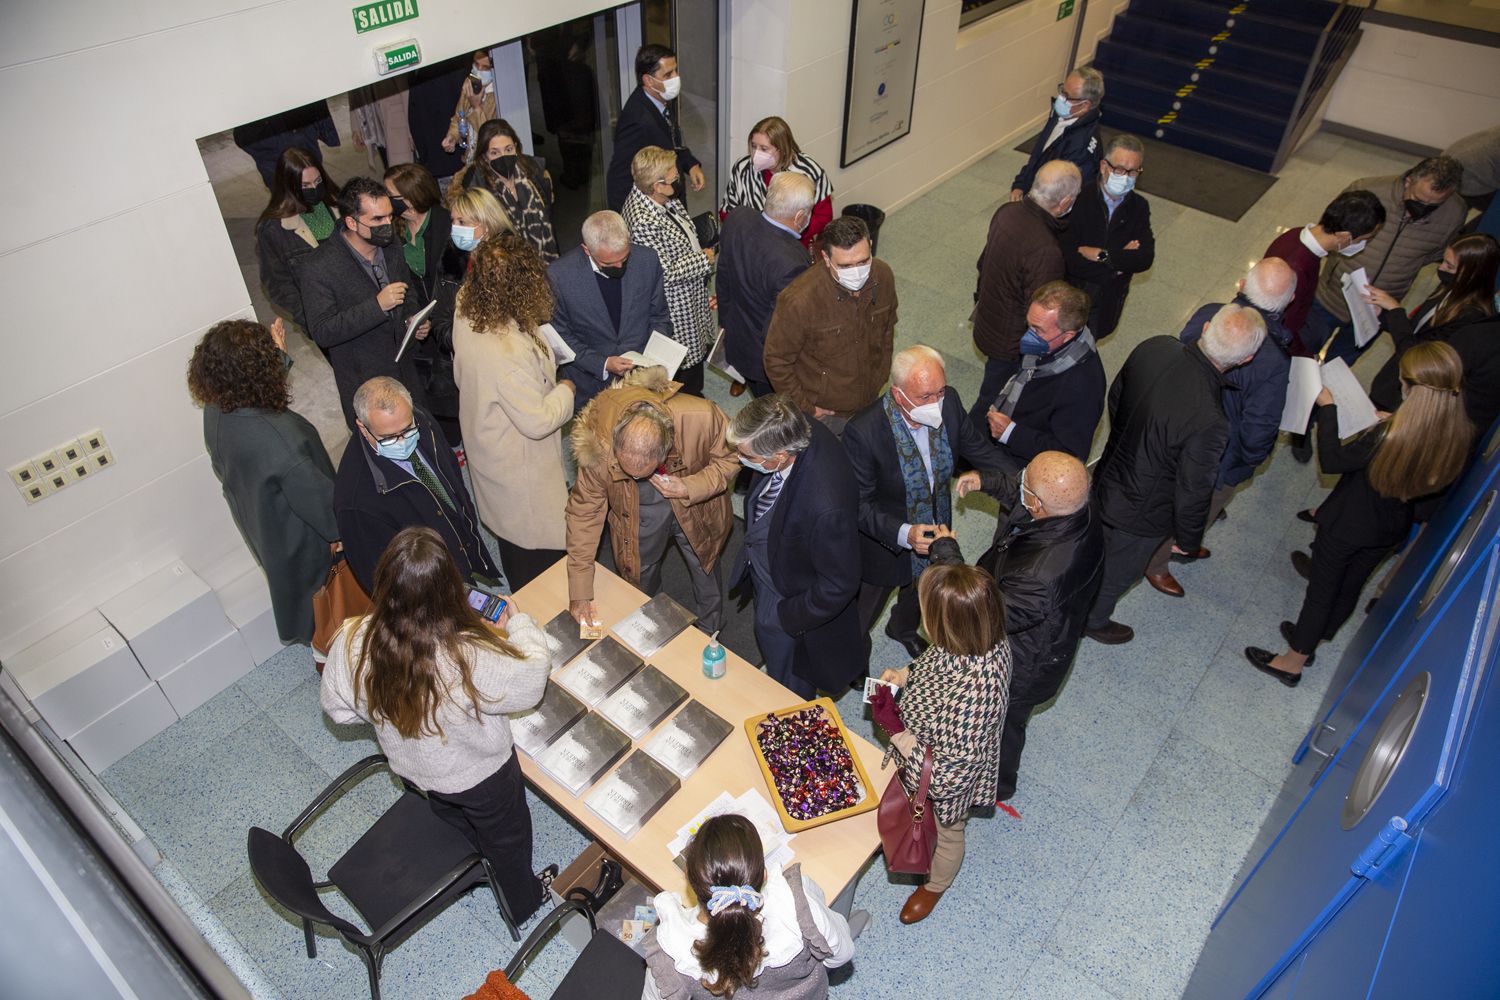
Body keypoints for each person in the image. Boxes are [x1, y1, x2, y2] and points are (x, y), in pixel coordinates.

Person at [320, 526, 557, 924]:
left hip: (418, 774)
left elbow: (338, 710)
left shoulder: (352, 641)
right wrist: (521, 625)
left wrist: (382, 713)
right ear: (449, 588)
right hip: (484, 778)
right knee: (507, 838)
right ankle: (523, 903)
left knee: (453, 819)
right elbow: (532, 681)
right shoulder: (466, 655)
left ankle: (467, 869)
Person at [1246, 343, 1473, 686]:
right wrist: (1391, 422)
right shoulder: (1457, 433)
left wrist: (1328, 409)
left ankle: (1291, 663)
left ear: (1409, 387)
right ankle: (1315, 639)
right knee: (1350, 587)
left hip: (1348, 524)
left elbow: (1334, 461)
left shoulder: (1387, 437)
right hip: (1389, 528)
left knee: (1321, 592)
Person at [1084, 304, 1266, 644]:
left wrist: (1127, 440)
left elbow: (1117, 395)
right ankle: (1093, 620)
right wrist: (1188, 539)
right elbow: (1193, 488)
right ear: (1245, 360)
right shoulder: (1211, 421)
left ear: (1207, 326)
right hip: (1142, 516)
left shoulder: (1156, 346)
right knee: (1118, 572)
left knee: (1089, 550)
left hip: (1107, 476)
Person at [1142, 258, 1298, 597]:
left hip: (1179, 433)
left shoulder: (1211, 314)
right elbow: (1259, 430)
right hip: (1221, 458)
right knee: (1199, 504)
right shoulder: (1273, 361)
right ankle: (1157, 562)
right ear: (1288, 301)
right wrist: (1248, 464)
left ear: (1243, 284)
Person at [954, 451, 1102, 806]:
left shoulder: (1041, 576)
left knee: (1003, 725)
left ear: (1037, 503)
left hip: (1023, 665)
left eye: (1023, 483)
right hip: (1040, 634)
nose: (1017, 483)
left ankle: (996, 787)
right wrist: (986, 481)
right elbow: (1026, 497)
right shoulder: (1075, 507)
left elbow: (984, 615)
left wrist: (948, 558)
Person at [869, 563, 1011, 924]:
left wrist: (896, 730)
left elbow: (948, 779)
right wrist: (904, 675)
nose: (924, 623)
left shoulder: (979, 694)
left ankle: (935, 885)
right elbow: (936, 658)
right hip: (926, 742)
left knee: (948, 832)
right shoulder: (976, 633)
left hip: (944, 770)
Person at [844, 346, 1008, 658]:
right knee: (866, 608)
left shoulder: (950, 402)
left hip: (937, 522)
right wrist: (905, 533)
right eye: (924, 396)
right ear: (898, 394)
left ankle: (902, 628)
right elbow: (860, 506)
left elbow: (978, 448)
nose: (935, 403)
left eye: (940, 391)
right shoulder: (863, 432)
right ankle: (853, 657)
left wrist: (1031, 479)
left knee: (921, 593)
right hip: (885, 541)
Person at [188, 318, 338, 646]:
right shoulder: (285, 441)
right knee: (327, 604)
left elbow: (251, 401)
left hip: (263, 519)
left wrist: (279, 359)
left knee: (292, 590)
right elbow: (327, 510)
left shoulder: (216, 410)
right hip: (305, 539)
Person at [566, 368, 739, 634]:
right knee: (640, 568)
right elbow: (584, 514)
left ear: (666, 449)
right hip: (635, 509)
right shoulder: (598, 445)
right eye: (627, 469)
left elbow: (734, 456)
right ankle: (650, 621)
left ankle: (710, 626)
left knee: (703, 560)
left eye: (642, 471)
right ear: (615, 445)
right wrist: (579, 590)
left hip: (694, 502)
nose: (635, 475)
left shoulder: (700, 417)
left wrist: (690, 487)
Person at [453, 234, 576, 591]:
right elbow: (537, 421)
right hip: (520, 464)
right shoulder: (505, 354)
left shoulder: (466, 304)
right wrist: (565, 391)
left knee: (510, 531)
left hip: (488, 441)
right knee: (536, 551)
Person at [728, 396, 863, 698]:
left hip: (789, 598)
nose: (740, 460)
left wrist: (788, 616)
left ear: (780, 455)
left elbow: (840, 584)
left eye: (747, 455)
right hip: (777, 559)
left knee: (788, 672)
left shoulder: (826, 507)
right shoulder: (796, 424)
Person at [641, 813, 858, 999]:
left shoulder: (672, 953)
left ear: (688, 875)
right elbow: (841, 954)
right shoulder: (797, 909)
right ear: (763, 874)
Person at [334, 376, 499, 592]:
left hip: (454, 553)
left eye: (407, 429)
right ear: (362, 427)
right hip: (429, 591)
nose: (403, 441)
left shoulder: (419, 418)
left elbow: (451, 473)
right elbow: (383, 583)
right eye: (389, 437)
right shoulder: (355, 502)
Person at [1306, 156, 1467, 368]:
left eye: (1433, 205)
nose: (1423, 208)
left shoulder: (1455, 212)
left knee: (1338, 366)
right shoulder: (1367, 190)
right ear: (1409, 180)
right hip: (1329, 297)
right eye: (1418, 200)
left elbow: (1435, 254)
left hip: (1376, 312)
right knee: (1302, 353)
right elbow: (1329, 231)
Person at [298, 176, 432, 429]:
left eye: (390, 217)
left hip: (407, 372)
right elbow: (323, 331)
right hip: (366, 381)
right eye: (377, 220)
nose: (388, 225)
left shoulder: (391, 246)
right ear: (351, 221)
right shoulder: (318, 268)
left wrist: (415, 318)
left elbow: (408, 290)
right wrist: (377, 306)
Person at [970, 161, 1081, 434]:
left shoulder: (1007, 212)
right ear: (1065, 201)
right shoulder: (1045, 249)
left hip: (988, 321)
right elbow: (1039, 317)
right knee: (993, 400)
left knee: (990, 387)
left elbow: (983, 264)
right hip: (1009, 345)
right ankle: (966, 447)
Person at [762, 215, 898, 435]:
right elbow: (776, 360)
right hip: (827, 413)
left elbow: (887, 331)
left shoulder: (883, 276)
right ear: (825, 257)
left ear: (871, 246)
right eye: (845, 265)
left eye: (863, 261)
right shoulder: (798, 300)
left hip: (870, 398)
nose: (857, 271)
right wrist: (806, 408)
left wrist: (881, 376)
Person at [1366, 234, 1500, 436]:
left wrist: (1395, 311)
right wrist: (1385, 316)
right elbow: (1418, 330)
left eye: (1450, 266)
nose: (1441, 268)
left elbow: (1417, 354)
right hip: (1393, 379)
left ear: (1471, 274)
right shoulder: (1449, 287)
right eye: (1444, 261)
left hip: (1409, 394)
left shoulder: (1471, 319)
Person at [548, 210, 673, 410]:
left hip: (643, 377)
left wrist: (654, 357)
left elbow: (659, 316)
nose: (619, 267)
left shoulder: (647, 260)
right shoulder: (559, 276)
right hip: (591, 382)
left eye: (624, 259)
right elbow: (560, 336)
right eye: (608, 263)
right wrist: (603, 363)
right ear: (587, 250)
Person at [622, 146, 716, 397]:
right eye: (673, 178)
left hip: (690, 291)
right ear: (657, 185)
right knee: (684, 363)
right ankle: (689, 403)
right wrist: (703, 259)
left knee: (694, 353)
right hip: (675, 304)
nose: (678, 181)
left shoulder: (657, 197)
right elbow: (665, 272)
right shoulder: (643, 221)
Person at [983, 281, 1105, 465]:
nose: (1027, 336)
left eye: (1038, 330)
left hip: (1026, 463)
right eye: (1029, 325)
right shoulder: (1052, 348)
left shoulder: (1081, 388)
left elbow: (1069, 455)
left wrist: (1011, 433)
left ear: (1068, 335)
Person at [717, 173, 815, 398]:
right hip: (764, 364)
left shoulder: (737, 217)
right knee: (772, 417)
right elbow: (783, 328)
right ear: (800, 215)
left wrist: (725, 325)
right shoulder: (793, 262)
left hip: (736, 338)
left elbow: (723, 276)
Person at [384, 163, 460, 442]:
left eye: (393, 194)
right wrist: (412, 316)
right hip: (419, 326)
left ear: (412, 194)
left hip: (450, 320)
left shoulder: (447, 222)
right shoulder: (392, 230)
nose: (387, 200)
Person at [1263, 189, 1386, 352]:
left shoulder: (1295, 233)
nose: (1363, 245)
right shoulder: (1299, 267)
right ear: (1343, 236)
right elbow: (1285, 327)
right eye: (1363, 239)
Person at [1061, 133, 1154, 339]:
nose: (1125, 176)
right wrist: (1117, 268)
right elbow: (1069, 259)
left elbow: (1144, 258)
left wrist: (1103, 256)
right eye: (1119, 169)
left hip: (1107, 304)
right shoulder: (1078, 198)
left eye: (1133, 172)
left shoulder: (1139, 207)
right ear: (1104, 166)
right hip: (1070, 300)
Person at [607, 44, 704, 212]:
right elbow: (620, 175)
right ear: (648, 80)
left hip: (672, 198)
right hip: (656, 207)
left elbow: (671, 141)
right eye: (668, 74)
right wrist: (626, 221)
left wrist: (691, 164)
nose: (676, 77)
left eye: (675, 70)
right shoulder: (637, 119)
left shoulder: (661, 97)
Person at [719, 116, 834, 253]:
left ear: (782, 148)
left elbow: (823, 217)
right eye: (754, 146)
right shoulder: (742, 167)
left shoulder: (809, 172)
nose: (756, 153)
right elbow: (727, 210)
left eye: (764, 148)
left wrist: (790, 233)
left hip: (792, 247)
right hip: (750, 245)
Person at [255, 147, 340, 331]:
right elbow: (278, 285)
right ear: (289, 186)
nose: (315, 189)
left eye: (318, 181)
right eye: (306, 185)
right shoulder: (274, 230)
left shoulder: (337, 203)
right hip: (324, 318)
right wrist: (309, 317)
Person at [458, 118, 559, 262]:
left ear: (516, 148)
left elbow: (548, 216)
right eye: (495, 152)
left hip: (545, 261)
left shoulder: (535, 171)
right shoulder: (477, 186)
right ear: (484, 156)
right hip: (503, 268)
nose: (503, 157)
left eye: (508, 149)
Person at [1009, 67, 1104, 201]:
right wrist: (1021, 184)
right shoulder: (1061, 115)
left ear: (1085, 105)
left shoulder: (1081, 148)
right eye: (1062, 90)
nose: (1061, 98)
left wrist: (1030, 208)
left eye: (1067, 96)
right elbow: (1038, 156)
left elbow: (1061, 197)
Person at [234, 100, 340, 189]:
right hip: (270, 143)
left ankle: (319, 211)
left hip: (302, 130)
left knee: (316, 190)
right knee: (292, 199)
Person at [440, 51, 496, 166]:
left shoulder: (498, 95)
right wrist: (453, 136)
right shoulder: (469, 84)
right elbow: (459, 116)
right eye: (476, 64)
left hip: (489, 164)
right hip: (470, 160)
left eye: (485, 68)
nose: (479, 70)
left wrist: (476, 107)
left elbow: (489, 137)